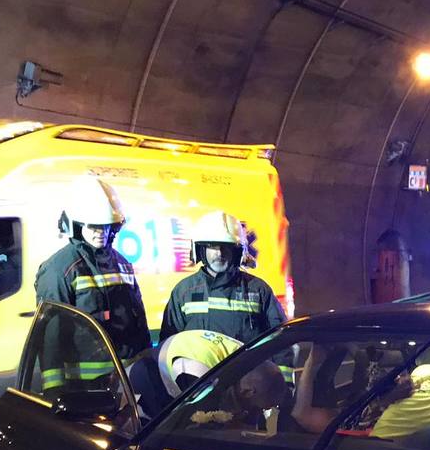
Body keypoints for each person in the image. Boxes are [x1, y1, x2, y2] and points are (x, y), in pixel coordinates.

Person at [161, 210, 291, 383]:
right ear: (200, 250)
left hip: (248, 391)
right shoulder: (184, 292)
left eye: (226, 247)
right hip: (198, 389)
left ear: (238, 252)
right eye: (212, 246)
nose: (219, 253)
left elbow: (281, 342)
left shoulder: (258, 290)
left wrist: (284, 388)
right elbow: (168, 346)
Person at [35, 176, 150, 361]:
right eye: (94, 226)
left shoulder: (122, 264)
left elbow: (140, 322)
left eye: (106, 226)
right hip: (85, 384)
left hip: (127, 377)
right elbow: (52, 339)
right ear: (77, 225)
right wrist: (56, 389)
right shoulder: (59, 269)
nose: (101, 232)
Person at [128, 329, 242, 419]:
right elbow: (200, 421)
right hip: (145, 384)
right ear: (249, 391)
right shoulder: (200, 376)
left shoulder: (250, 357)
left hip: (176, 360)